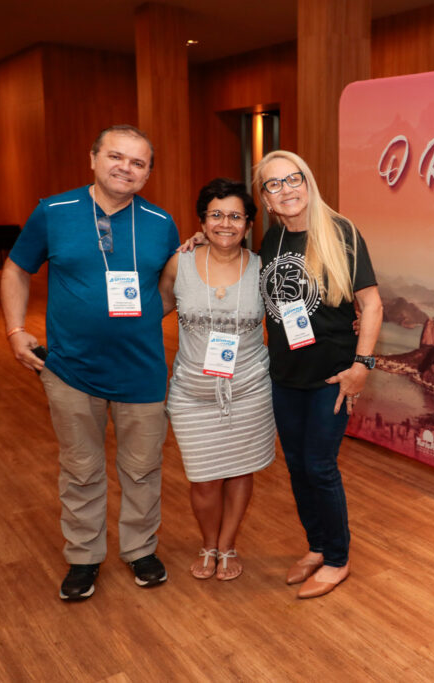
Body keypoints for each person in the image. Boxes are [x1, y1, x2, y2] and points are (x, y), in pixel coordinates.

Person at [0, 124, 179, 601]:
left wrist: (130, 324)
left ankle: (140, 550)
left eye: (138, 162)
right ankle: (83, 558)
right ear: (93, 158)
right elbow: (17, 268)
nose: (126, 168)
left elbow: (166, 291)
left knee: (142, 469)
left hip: (141, 372)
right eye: (116, 157)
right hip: (71, 370)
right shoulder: (53, 211)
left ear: (148, 173)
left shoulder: (162, 223)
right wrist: (16, 331)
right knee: (81, 469)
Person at [253, 150, 383, 599]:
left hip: (332, 376)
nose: (286, 189)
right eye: (274, 184)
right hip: (285, 375)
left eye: (294, 179)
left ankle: (338, 558)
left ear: (308, 183)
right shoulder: (270, 240)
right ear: (266, 198)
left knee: (319, 465)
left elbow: (371, 304)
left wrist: (361, 366)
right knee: (296, 466)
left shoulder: (341, 233)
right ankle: (317, 545)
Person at [158, 178, 275, 581]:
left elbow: (296, 317)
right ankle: (207, 541)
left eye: (235, 216)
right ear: (203, 221)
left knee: (241, 470)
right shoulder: (181, 263)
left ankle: (226, 546)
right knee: (204, 478)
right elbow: (153, 310)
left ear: (248, 223)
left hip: (249, 389)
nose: (226, 223)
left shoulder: (262, 269)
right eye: (216, 215)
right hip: (192, 392)